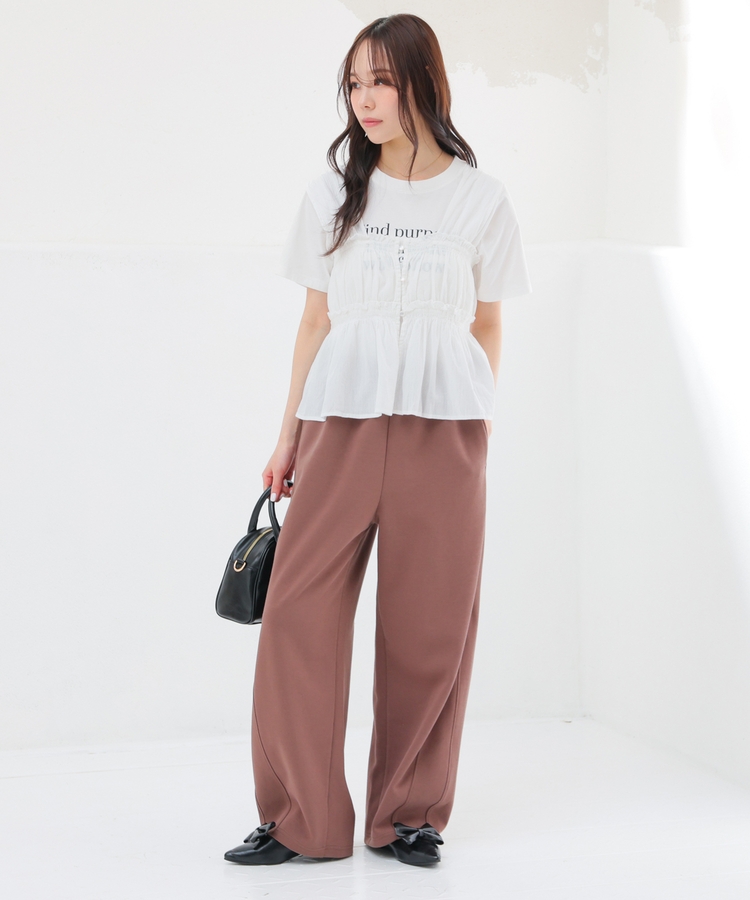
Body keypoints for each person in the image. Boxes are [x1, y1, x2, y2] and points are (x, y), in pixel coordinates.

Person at [224, 13, 532, 869]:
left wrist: (481, 415)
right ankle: (302, 819)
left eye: (382, 81)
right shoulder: (333, 192)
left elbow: (489, 321)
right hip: (343, 424)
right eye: (354, 84)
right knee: (297, 615)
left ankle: (408, 815)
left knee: (431, 627)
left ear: (423, 83)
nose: (364, 100)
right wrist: (287, 435)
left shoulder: (481, 198)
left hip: (445, 429)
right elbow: (314, 320)